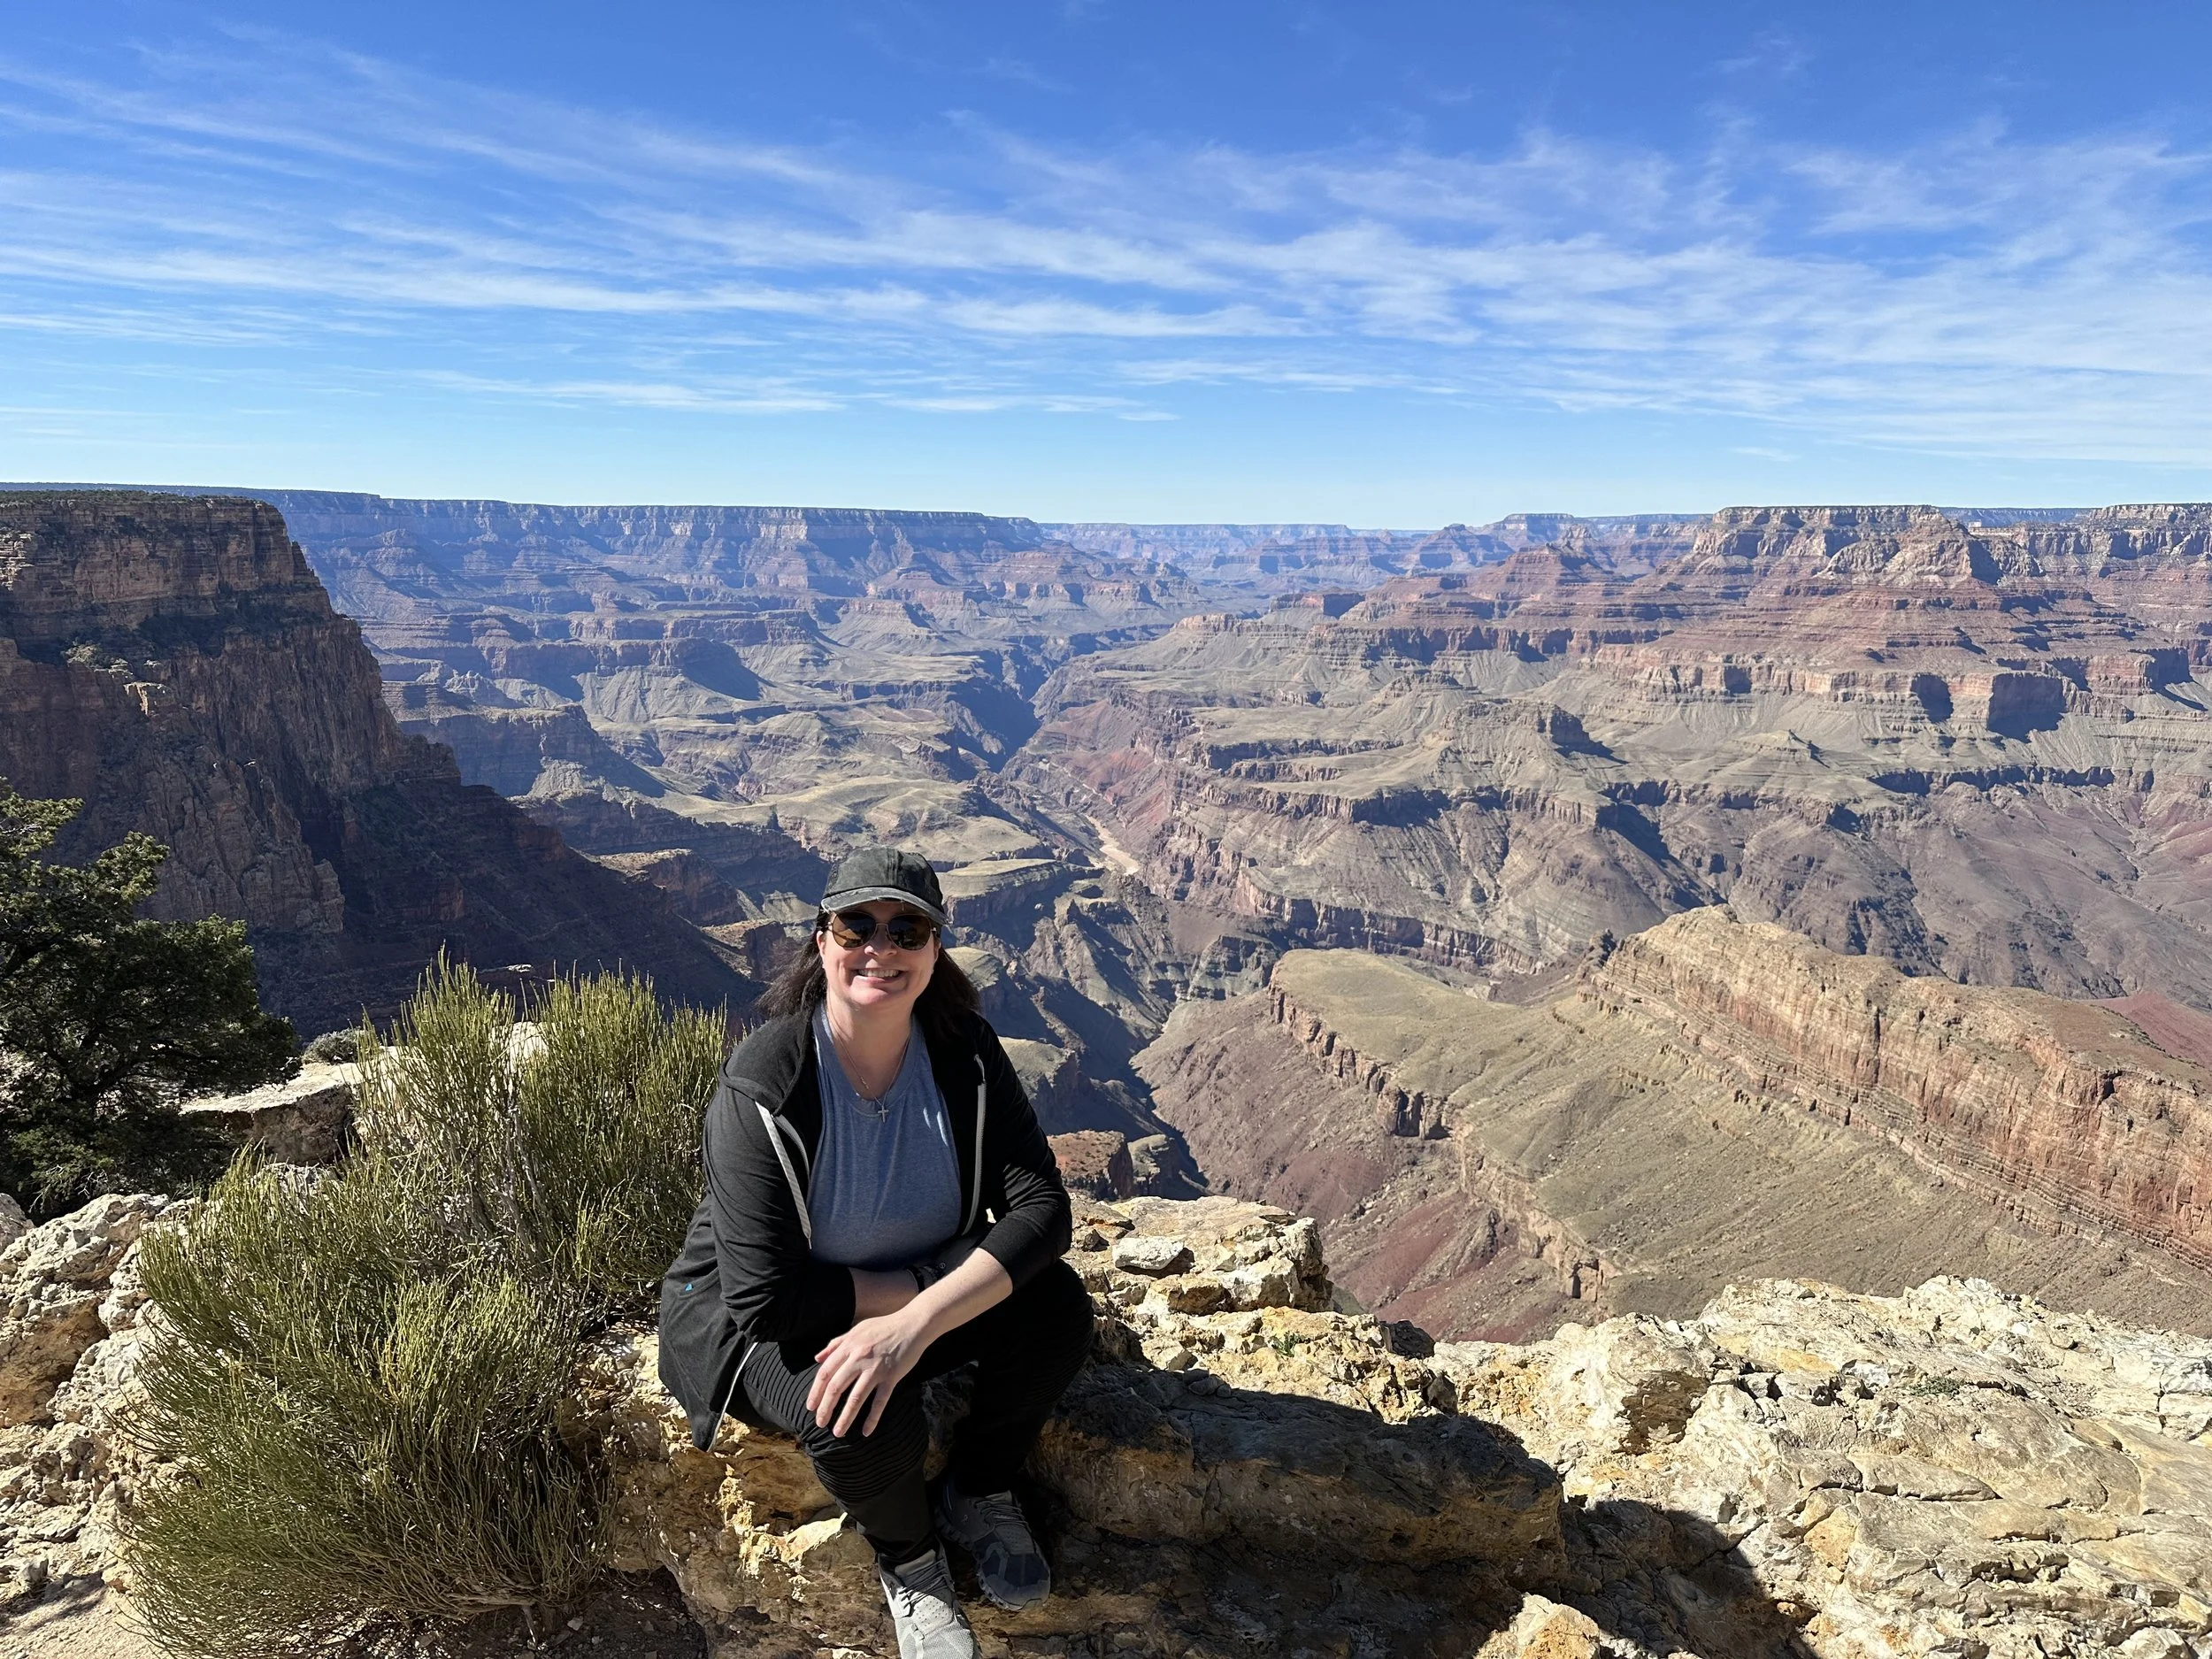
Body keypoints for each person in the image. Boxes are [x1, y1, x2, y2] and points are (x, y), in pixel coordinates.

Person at [658, 848, 1093, 1659]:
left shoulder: (964, 1054)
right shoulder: (766, 1085)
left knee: (1058, 1308)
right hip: (766, 1328)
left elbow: (1043, 1209)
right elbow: (766, 1300)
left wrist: (918, 1316)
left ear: (934, 951)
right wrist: (909, 1311)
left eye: (907, 929)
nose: (880, 949)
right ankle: (911, 1561)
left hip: (901, 1293)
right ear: (821, 940)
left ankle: (980, 1487)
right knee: (855, 1408)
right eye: (856, 925)